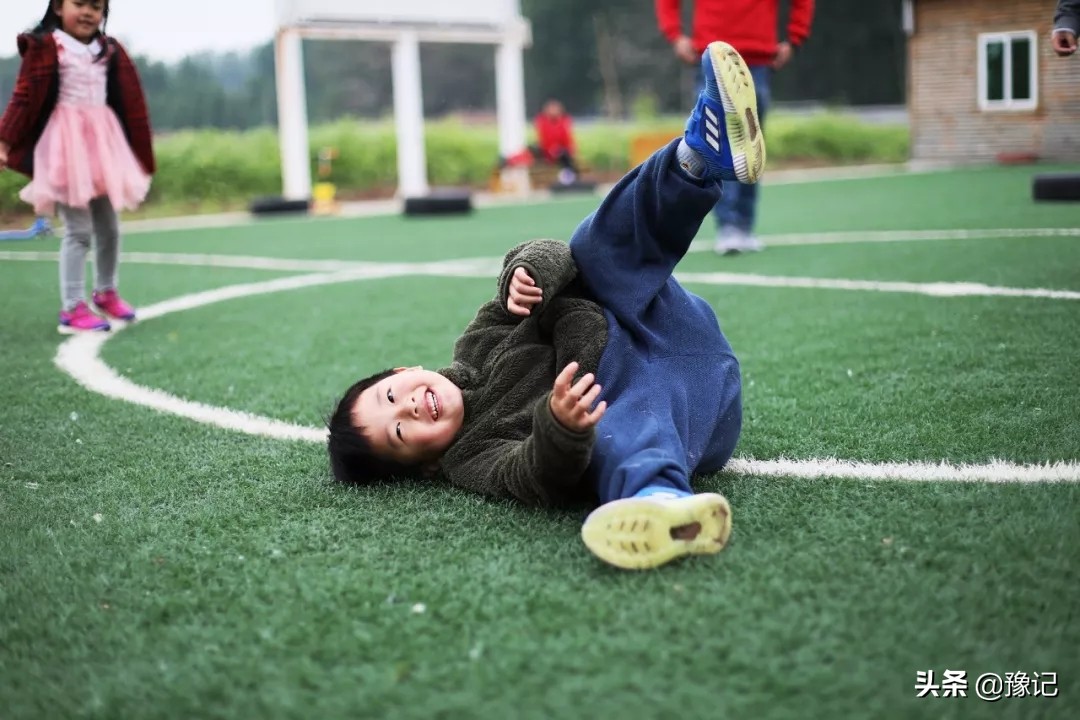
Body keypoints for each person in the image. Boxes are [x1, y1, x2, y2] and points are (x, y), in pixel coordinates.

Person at [328, 41, 765, 571]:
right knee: (613, 433)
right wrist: (560, 426)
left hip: (651, 320)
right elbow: (533, 475)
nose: (410, 406)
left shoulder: (478, 343)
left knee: (591, 252)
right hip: (689, 408)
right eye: (400, 430)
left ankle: (697, 158)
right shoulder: (470, 458)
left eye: (392, 393)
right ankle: (663, 504)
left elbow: (548, 256)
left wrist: (527, 274)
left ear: (405, 370)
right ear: (422, 466)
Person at [0, 0, 155, 334]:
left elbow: (131, 101)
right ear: (58, 6)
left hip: (102, 146)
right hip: (65, 150)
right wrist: (4, 141)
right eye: (79, 4)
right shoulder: (45, 47)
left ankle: (106, 291)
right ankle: (72, 307)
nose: (88, 12)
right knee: (79, 230)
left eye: (96, 6)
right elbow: (24, 98)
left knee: (110, 228)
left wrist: (139, 151)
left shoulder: (108, 50)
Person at [656, 0, 814, 254]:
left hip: (758, 56)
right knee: (716, 142)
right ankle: (728, 225)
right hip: (712, 55)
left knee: (751, 142)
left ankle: (743, 224)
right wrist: (674, 35)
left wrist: (796, 37)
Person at [532, 99, 579, 185]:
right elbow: (542, 140)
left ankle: (570, 177)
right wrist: (550, 149)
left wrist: (570, 149)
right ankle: (570, 176)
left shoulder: (563, 121)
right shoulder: (542, 121)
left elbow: (568, 140)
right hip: (546, 151)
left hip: (560, 151)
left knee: (565, 155)